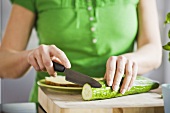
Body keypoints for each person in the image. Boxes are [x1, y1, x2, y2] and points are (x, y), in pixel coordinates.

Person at [0, 0, 162, 103]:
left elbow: (154, 51)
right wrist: (31, 56)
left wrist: (132, 61)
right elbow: (3, 63)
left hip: (118, 103)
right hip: (52, 106)